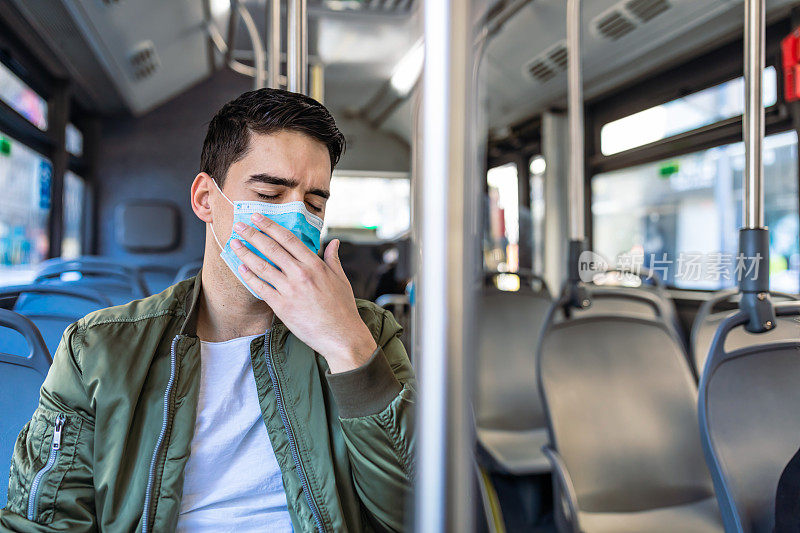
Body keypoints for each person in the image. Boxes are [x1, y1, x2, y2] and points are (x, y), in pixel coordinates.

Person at [0, 89, 415, 532]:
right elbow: (44, 521)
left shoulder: (365, 331)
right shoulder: (99, 349)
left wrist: (345, 346)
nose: (294, 218)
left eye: (313, 204)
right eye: (270, 193)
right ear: (205, 199)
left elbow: (415, 512)